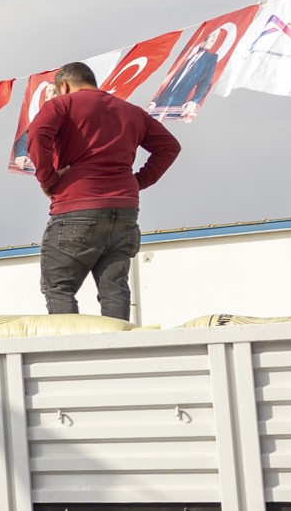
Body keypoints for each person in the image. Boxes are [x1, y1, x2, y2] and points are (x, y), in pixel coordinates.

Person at [28, 58, 182, 321]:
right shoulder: (131, 111)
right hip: (124, 211)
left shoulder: (61, 104)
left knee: (59, 287)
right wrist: (137, 181)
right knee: (115, 290)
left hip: (77, 206)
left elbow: (36, 135)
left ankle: (70, 356)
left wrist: (48, 179)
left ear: (63, 85)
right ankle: (120, 354)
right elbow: (170, 147)